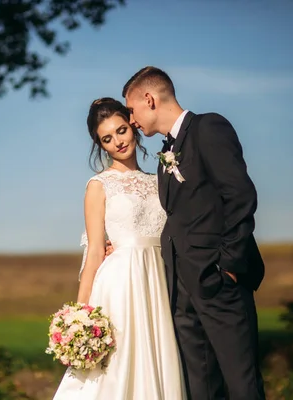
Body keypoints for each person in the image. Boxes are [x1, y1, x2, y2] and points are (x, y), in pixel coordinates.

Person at [118, 66, 267, 400]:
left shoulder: (208, 128)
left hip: (218, 281)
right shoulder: (165, 156)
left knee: (241, 386)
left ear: (149, 99)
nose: (132, 120)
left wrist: (226, 267)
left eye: (131, 110)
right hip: (181, 290)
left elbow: (240, 196)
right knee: (201, 388)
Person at [52, 97, 187, 400]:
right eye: (107, 139)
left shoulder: (159, 181)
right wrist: (79, 317)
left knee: (159, 359)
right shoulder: (99, 186)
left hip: (160, 280)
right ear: (101, 145)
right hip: (121, 286)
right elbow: (95, 252)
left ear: (132, 125)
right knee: (118, 368)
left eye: (121, 130)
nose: (118, 142)